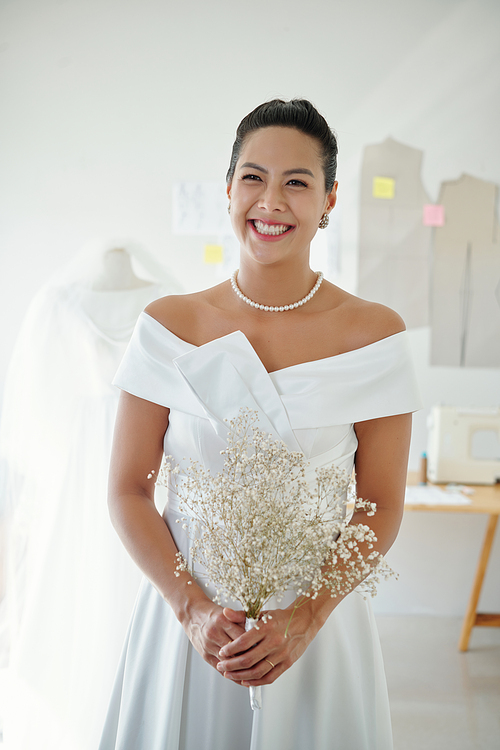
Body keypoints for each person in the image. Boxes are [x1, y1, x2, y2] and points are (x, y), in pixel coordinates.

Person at [99, 99, 421, 750]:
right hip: (190, 626)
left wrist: (307, 616)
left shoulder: (375, 335)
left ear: (329, 200)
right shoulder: (169, 327)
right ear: (228, 191)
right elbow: (128, 488)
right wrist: (189, 608)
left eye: (296, 182)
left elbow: (382, 502)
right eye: (253, 177)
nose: (270, 201)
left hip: (317, 629)